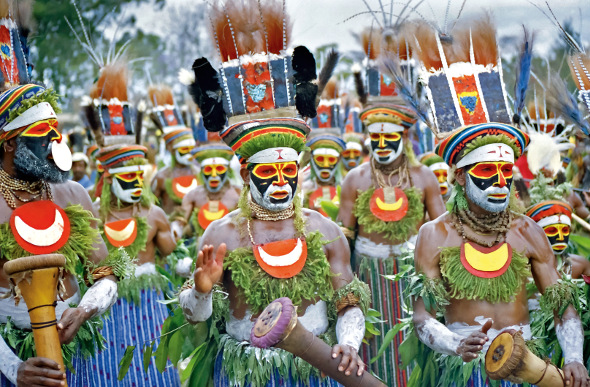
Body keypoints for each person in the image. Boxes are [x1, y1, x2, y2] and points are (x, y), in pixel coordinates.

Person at [177, 1, 370, 384]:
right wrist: (200, 291)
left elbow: (348, 302)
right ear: (246, 172)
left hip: (314, 367)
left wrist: (349, 342)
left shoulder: (323, 229)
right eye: (268, 171)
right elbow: (195, 313)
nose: (281, 181)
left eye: (289, 171)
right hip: (245, 372)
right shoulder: (222, 235)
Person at [338, 26, 445, 385]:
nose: (381, 144)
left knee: (414, 349)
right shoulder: (354, 179)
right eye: (375, 137)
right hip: (367, 278)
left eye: (390, 136)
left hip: (413, 279)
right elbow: (344, 238)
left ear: (405, 136)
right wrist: (345, 284)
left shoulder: (424, 178)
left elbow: (443, 233)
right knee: (369, 350)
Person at [0, 84, 124, 387]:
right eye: (44, 132)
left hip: (71, 347)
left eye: (56, 131)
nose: (56, 142)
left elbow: (105, 275)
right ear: (9, 144)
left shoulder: (73, 194)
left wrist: (84, 310)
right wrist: (13, 367)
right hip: (10, 354)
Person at [89, 143, 180, 386]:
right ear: (109, 180)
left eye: (140, 176)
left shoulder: (154, 214)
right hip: (105, 298)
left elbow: (171, 251)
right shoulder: (92, 215)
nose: (137, 183)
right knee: (109, 358)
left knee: (150, 354)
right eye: (129, 177)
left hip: (147, 299)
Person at [173, 143, 240, 243]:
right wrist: (176, 230)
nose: (214, 175)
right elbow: (180, 221)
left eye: (219, 169)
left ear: (228, 170)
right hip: (200, 247)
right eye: (208, 169)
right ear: (201, 172)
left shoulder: (238, 194)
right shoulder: (193, 195)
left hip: (231, 247)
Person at [151, 129, 198, 215]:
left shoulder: (199, 173)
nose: (190, 154)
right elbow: (151, 206)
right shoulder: (162, 176)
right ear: (172, 150)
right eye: (184, 149)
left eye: (192, 149)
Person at [302, 132, 346, 216]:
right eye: (320, 159)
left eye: (331, 159)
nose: (326, 165)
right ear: (312, 160)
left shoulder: (345, 187)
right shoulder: (303, 189)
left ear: (338, 160)